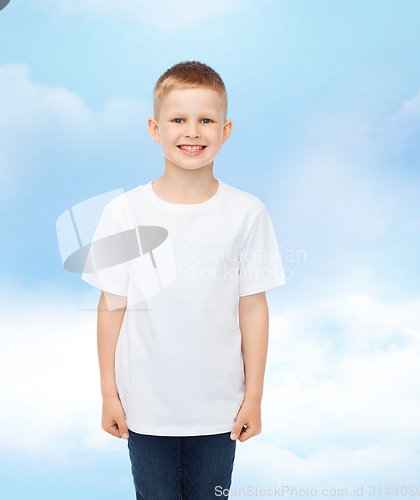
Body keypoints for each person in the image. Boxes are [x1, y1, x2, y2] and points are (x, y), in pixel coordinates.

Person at [82, 61, 286, 499]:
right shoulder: (125, 213)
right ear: (155, 129)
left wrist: (255, 396)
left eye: (205, 120)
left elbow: (253, 307)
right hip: (145, 405)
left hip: (220, 407)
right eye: (178, 120)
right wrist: (108, 394)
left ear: (225, 129)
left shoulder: (247, 212)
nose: (192, 132)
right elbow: (111, 304)